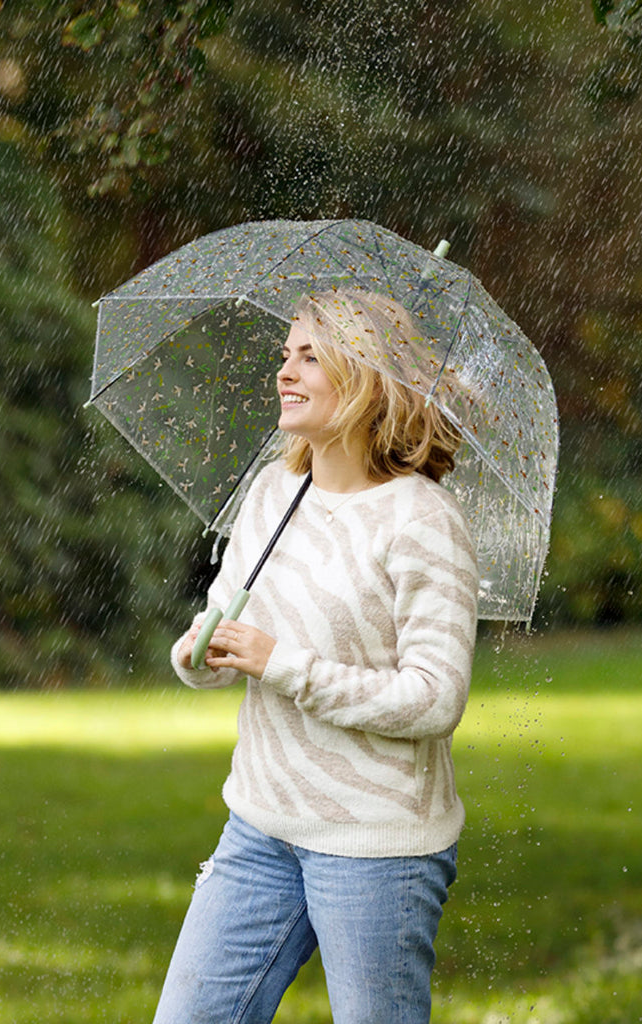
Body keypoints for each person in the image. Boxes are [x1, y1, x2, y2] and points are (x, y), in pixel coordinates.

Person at [154, 289, 479, 1024]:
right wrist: (199, 651)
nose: (284, 372)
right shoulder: (274, 492)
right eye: (284, 355)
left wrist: (283, 665)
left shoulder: (423, 520)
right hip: (260, 826)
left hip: (376, 845)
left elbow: (434, 697)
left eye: (309, 357)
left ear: (364, 380)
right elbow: (227, 614)